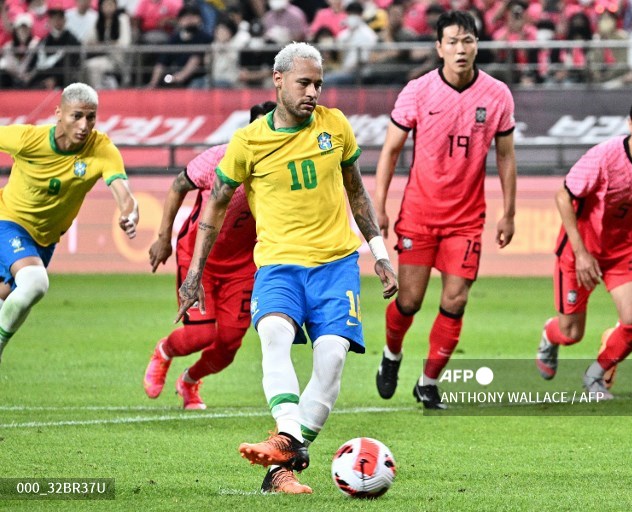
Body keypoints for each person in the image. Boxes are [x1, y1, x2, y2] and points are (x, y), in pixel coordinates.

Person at [175, 42, 397, 494]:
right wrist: (195, 272)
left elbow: (357, 193)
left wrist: (381, 253)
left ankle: (283, 458)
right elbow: (214, 206)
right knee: (273, 337)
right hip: (278, 265)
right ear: (278, 81)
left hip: (336, 265)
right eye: (304, 83)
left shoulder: (335, 126)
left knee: (332, 358)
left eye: (318, 83)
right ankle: (286, 445)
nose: (313, 91)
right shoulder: (248, 141)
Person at [374, 10, 517, 410]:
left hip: (467, 220)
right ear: (439, 48)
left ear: (477, 45)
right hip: (418, 214)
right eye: (452, 41)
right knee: (409, 302)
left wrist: (510, 212)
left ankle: (429, 381)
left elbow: (505, 156)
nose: (460, 49)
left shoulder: (497, 95)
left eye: (467, 41)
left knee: (455, 300)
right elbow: (390, 151)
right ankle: (391, 354)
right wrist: (379, 207)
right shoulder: (418, 91)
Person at [535, 94, 632, 400]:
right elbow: (563, 197)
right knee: (571, 333)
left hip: (623, 249)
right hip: (581, 248)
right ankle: (550, 336)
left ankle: (595, 376)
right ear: (630, 124)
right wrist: (580, 253)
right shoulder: (604, 157)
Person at [143, 101, 276, 410]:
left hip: (242, 265)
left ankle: (189, 381)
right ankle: (164, 351)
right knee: (202, 334)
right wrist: (163, 238)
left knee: (229, 345)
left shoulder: (280, 170)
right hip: (198, 255)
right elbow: (178, 185)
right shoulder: (219, 158)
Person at [0, 82, 139, 366]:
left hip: (45, 240)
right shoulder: (27, 139)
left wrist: (131, 214)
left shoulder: (101, 149)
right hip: (9, 222)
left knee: (10, 299)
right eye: (76, 115)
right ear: (58, 114)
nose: (84, 125)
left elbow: (124, 193)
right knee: (36, 282)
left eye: (91, 117)